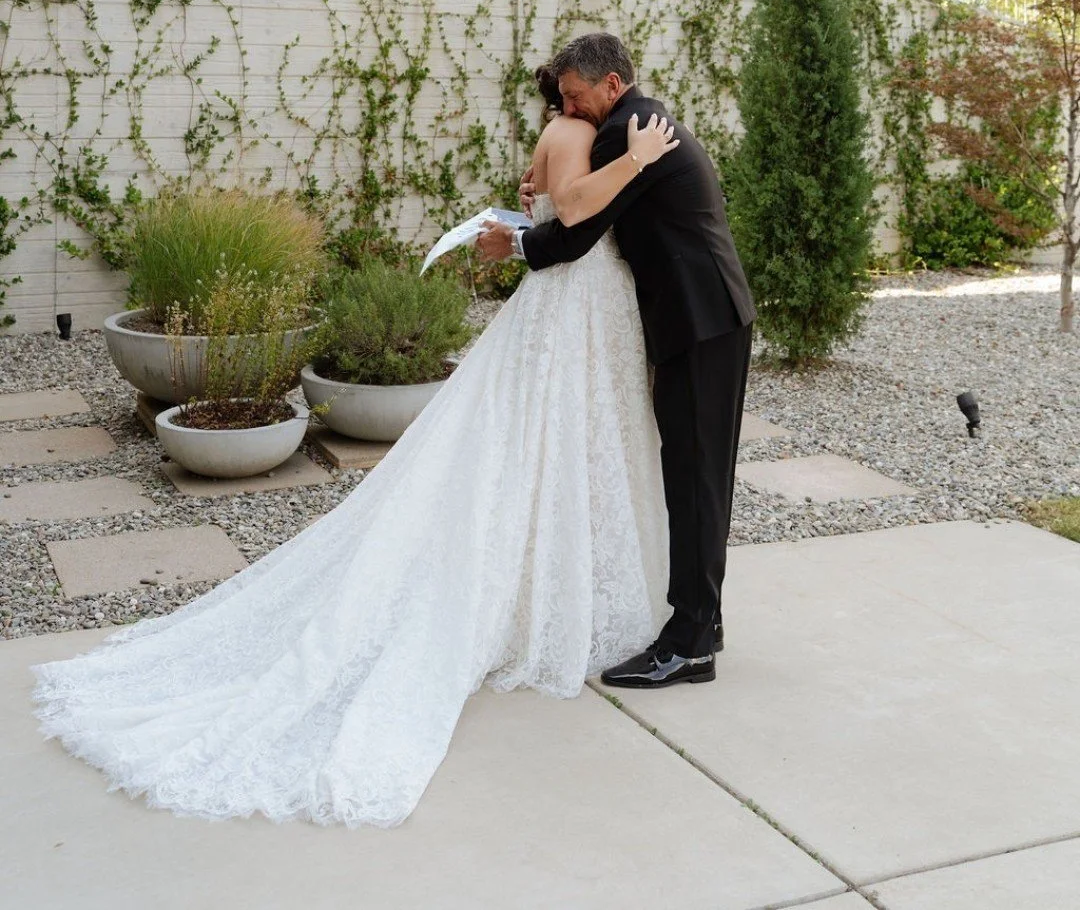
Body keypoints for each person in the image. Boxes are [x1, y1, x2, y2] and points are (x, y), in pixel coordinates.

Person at [31, 67, 679, 829]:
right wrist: (623, 168)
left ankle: (544, 587)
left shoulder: (573, 133)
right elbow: (570, 220)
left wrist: (528, 223)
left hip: (582, 304)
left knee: (553, 447)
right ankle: (537, 599)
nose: (573, 106)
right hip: (576, 305)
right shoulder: (576, 132)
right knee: (548, 442)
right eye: (567, 96)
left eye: (576, 96)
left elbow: (552, 210)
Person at [478, 32, 756, 689]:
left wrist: (517, 242)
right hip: (710, 317)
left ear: (610, 84)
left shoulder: (628, 134)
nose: (567, 108)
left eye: (575, 95)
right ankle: (704, 622)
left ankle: (689, 644)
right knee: (698, 476)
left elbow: (577, 234)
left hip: (699, 321)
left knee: (694, 478)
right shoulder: (640, 122)